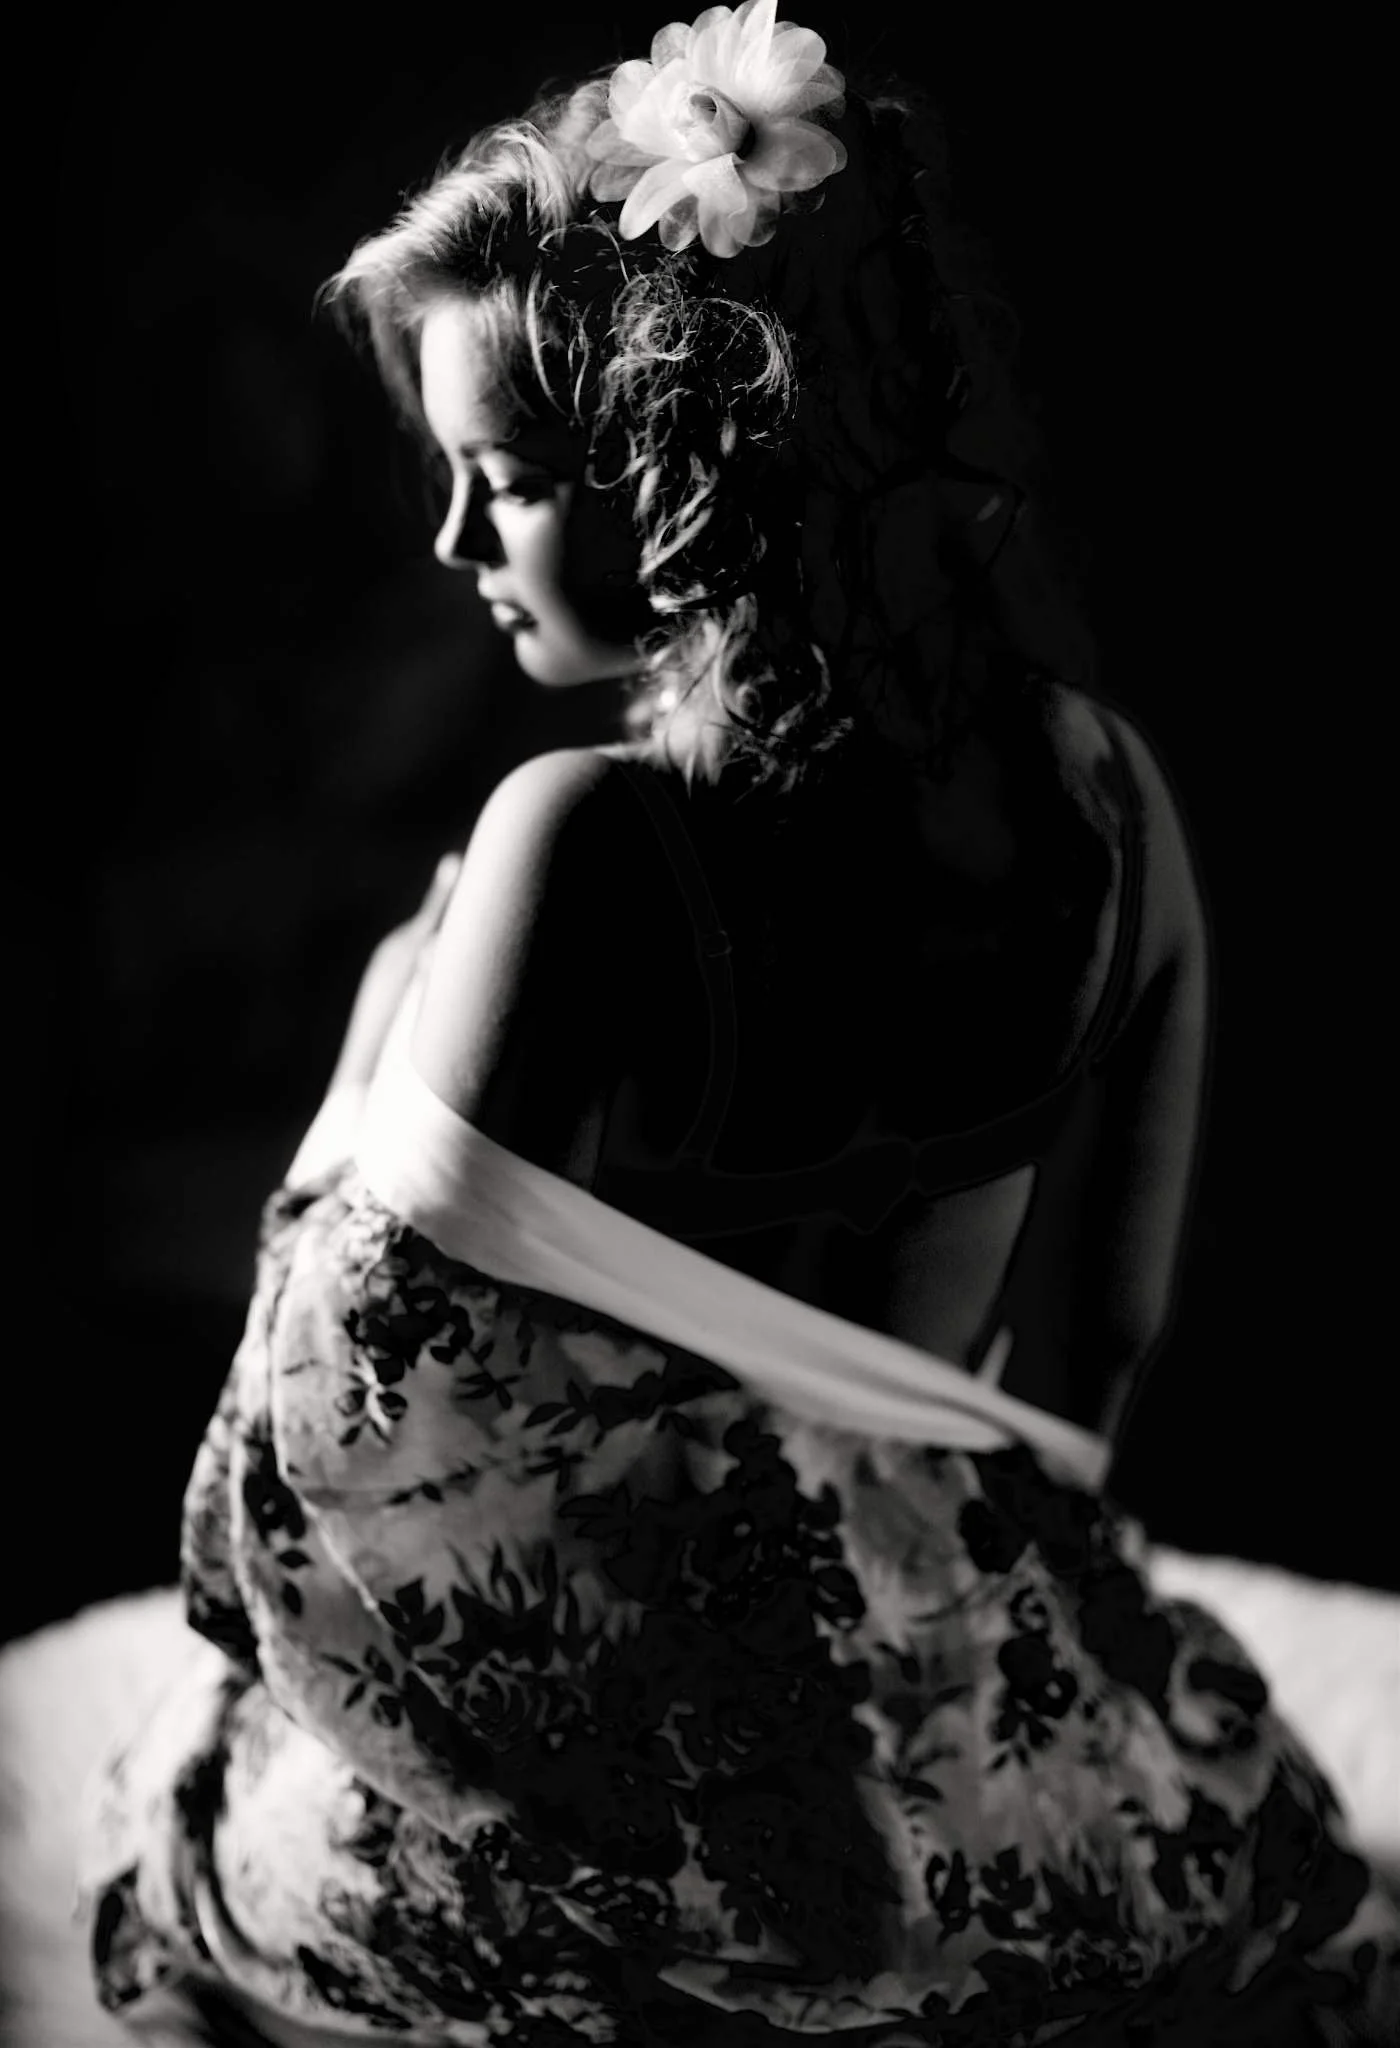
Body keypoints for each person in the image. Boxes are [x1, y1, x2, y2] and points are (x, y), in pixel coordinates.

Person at [70, 4, 1398, 2042]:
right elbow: (1088, 1365)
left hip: (659, 1779)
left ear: (691, 471)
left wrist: (370, 1041)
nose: (453, 547)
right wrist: (966, 1647)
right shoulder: (1110, 798)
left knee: (191, 1836)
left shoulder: (577, 844)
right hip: (971, 1757)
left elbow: (337, 1459)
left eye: (502, 481)